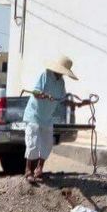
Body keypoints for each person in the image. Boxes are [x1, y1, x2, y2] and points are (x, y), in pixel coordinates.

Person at [22, 55, 89, 183]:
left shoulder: (61, 82)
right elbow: (35, 92)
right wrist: (43, 95)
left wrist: (77, 104)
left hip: (47, 117)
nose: (61, 74)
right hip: (35, 115)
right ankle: (28, 170)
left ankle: (39, 169)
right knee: (33, 142)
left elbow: (62, 100)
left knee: (47, 143)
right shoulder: (45, 75)